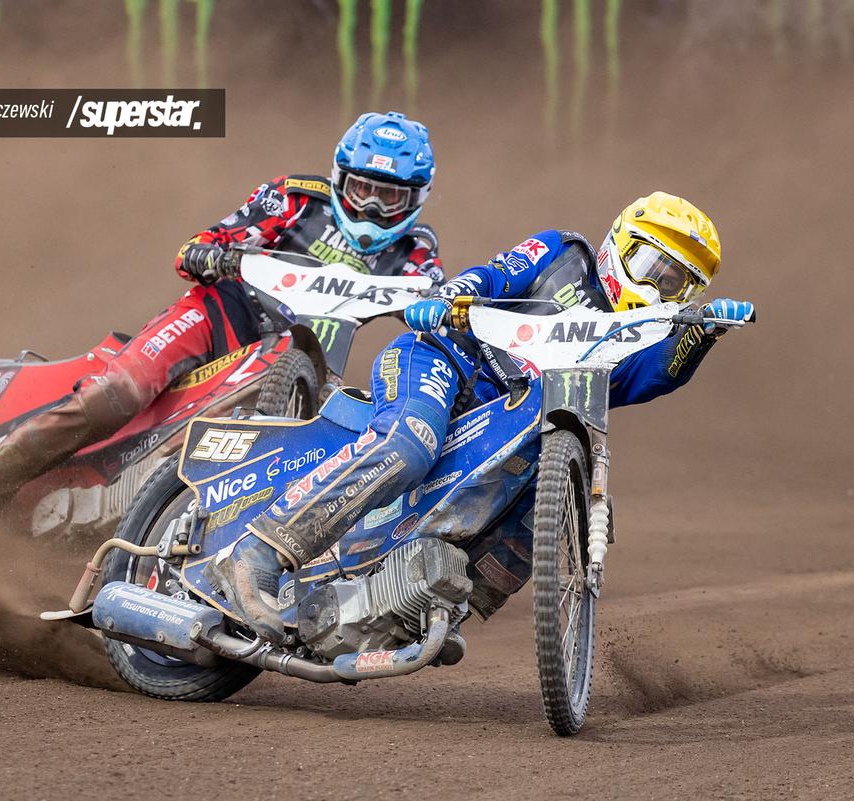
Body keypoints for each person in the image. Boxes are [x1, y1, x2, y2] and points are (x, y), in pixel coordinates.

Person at [207, 191, 755, 641]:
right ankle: (260, 552)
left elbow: (655, 375)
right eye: (652, 267)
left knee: (544, 508)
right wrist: (450, 299)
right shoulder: (563, 253)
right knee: (409, 445)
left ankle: (427, 607)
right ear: (619, 246)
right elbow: (492, 277)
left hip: (514, 421)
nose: (657, 288)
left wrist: (701, 335)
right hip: (447, 360)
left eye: (675, 283)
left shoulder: (643, 338)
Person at [0, 111, 443, 514]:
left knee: (336, 441)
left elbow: (437, 299)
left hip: (306, 366)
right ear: (339, 178)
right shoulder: (294, 198)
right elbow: (206, 242)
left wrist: (447, 314)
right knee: (121, 391)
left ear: (414, 199)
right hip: (221, 317)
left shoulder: (415, 250)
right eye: (361, 189)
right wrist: (212, 254)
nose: (371, 208)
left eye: (388, 196)